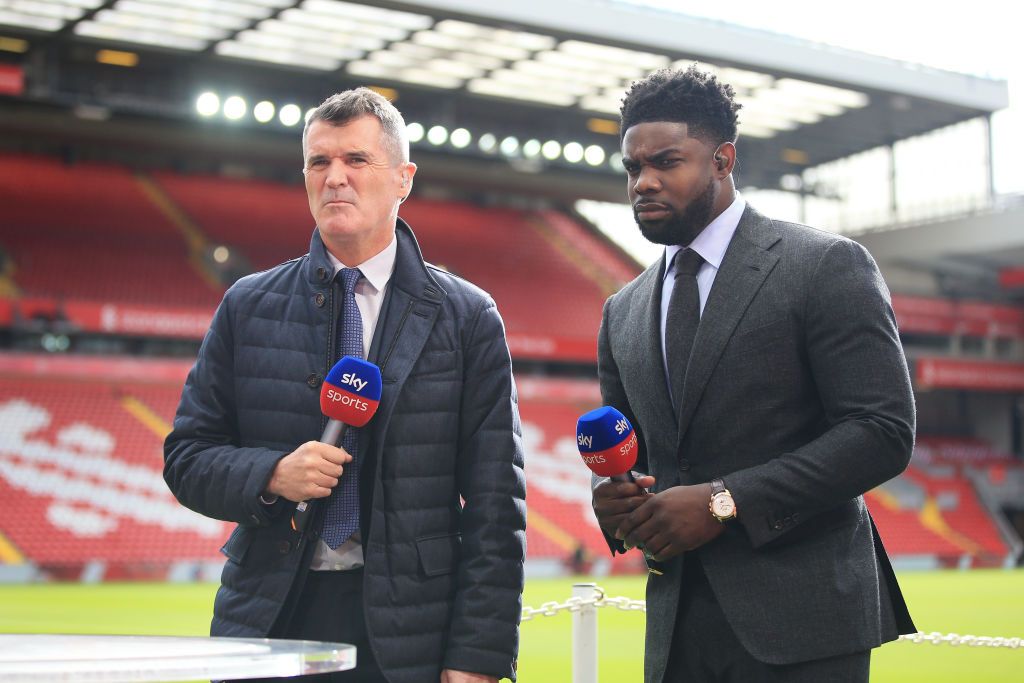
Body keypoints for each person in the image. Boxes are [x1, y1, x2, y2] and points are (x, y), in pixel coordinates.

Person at [164, 88, 526, 683]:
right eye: (319, 162)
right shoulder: (248, 305)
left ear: (403, 178)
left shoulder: (468, 317)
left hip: (413, 630)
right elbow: (186, 457)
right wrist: (271, 474)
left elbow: (495, 502)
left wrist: (478, 656)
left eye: (357, 161)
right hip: (270, 615)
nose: (335, 178)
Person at [591, 66, 916, 683]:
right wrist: (616, 500)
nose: (644, 182)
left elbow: (882, 430)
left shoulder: (824, 265)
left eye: (666, 162)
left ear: (722, 160)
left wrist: (723, 502)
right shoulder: (622, 309)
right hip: (676, 627)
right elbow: (628, 451)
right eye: (633, 168)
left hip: (805, 622)